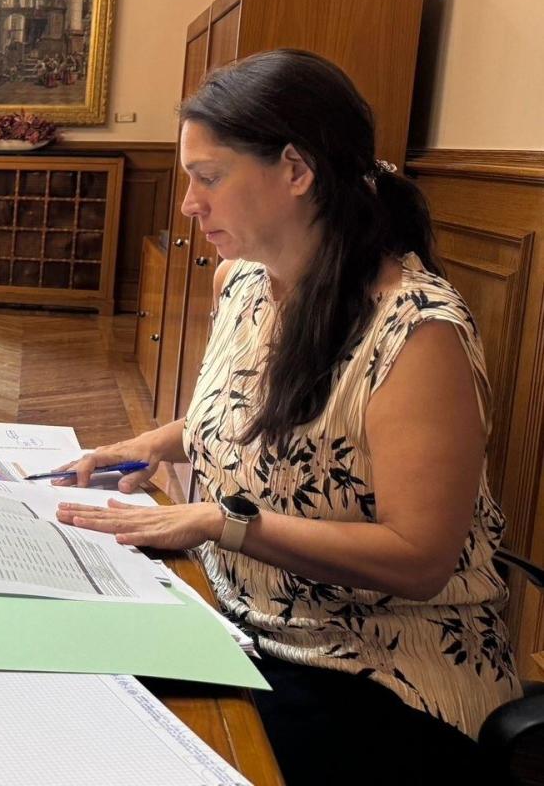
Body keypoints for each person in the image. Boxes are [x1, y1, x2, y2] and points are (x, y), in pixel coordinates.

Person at [54, 50, 516, 784]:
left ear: (297, 172)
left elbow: (421, 558)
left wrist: (216, 521)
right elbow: (252, 414)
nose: (187, 204)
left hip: (378, 678)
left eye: (208, 178)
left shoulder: (417, 332)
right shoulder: (244, 281)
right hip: (239, 623)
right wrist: (144, 443)